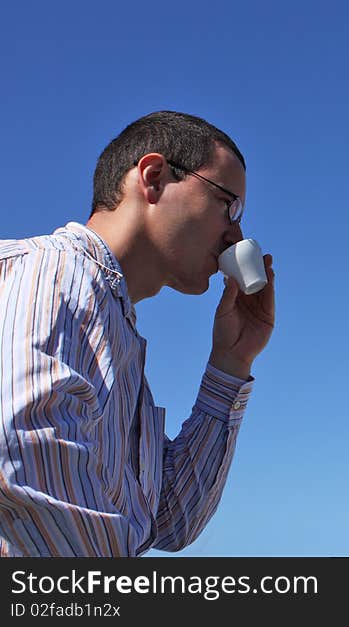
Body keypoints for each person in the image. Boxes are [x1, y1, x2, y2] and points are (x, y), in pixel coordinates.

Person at [0, 111, 275, 556]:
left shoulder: (111, 333)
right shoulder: (51, 274)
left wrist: (232, 363)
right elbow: (21, 456)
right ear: (153, 178)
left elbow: (169, 520)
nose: (237, 235)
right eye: (231, 205)